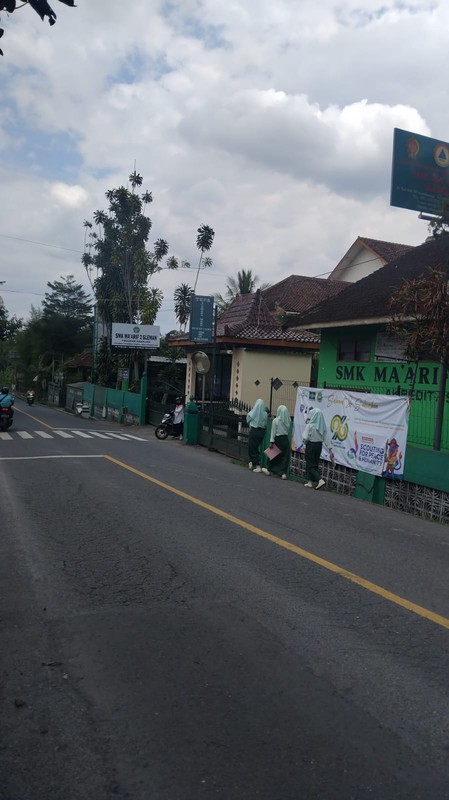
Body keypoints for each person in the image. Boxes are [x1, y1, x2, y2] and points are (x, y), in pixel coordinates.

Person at [302, 408, 334, 490]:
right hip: (319, 446)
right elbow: (326, 439)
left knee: (310, 464)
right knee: (315, 464)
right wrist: (330, 449)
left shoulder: (310, 426)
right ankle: (310, 482)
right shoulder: (322, 427)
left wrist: (304, 444)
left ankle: (320, 480)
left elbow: (305, 438)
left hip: (311, 445)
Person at [262, 404, 291, 480]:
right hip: (285, 439)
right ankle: (283, 473)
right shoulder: (288, 421)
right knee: (284, 456)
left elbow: (273, 432)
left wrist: (271, 441)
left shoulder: (276, 420)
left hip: (278, 439)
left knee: (271, 454)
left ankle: (269, 469)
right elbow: (287, 431)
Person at [246, 398, 268, 473]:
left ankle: (257, 464)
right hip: (262, 432)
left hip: (254, 430)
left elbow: (248, 418)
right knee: (255, 447)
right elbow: (265, 423)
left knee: (252, 448)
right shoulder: (265, 414)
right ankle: (252, 462)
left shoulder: (253, 412)